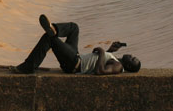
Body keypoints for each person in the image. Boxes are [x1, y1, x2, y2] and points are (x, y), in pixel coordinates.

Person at [10, 14, 141, 75]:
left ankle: (28, 67)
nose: (132, 55)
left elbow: (100, 71)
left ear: (128, 65)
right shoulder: (115, 60)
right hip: (76, 57)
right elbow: (98, 62)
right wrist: (110, 51)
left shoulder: (118, 66)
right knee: (74, 28)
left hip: (74, 64)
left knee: (49, 39)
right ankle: (55, 29)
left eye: (133, 59)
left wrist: (102, 51)